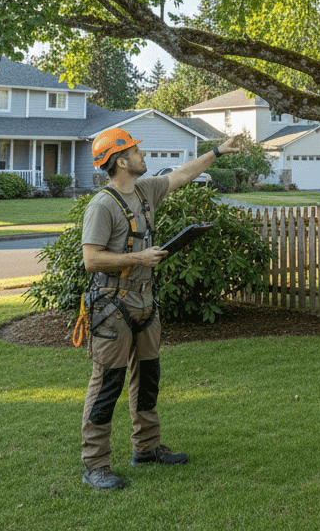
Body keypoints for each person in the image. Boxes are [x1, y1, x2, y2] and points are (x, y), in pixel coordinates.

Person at [80, 126, 242, 490]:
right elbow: (91, 259)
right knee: (107, 384)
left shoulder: (145, 190)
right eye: (136, 151)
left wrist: (217, 152)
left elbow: (181, 175)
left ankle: (147, 449)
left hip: (145, 301)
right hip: (112, 305)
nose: (142, 154)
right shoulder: (102, 205)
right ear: (121, 161)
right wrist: (139, 256)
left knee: (148, 377)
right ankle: (95, 464)